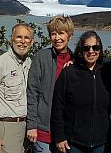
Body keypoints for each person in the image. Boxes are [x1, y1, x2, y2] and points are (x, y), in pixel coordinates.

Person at [51, 30, 110, 153]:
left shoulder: (108, 71)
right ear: (81, 50)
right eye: (86, 48)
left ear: (100, 49)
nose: (91, 51)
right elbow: (57, 107)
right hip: (74, 143)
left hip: (100, 143)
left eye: (96, 47)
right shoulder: (69, 73)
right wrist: (60, 136)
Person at [0, 23, 34, 153]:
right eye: (18, 37)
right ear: (11, 39)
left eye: (26, 38)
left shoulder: (30, 63)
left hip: (25, 129)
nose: (22, 41)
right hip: (5, 128)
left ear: (32, 42)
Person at [26, 15, 75, 153]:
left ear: (69, 36)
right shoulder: (41, 57)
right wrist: (32, 125)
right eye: (53, 34)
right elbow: (32, 92)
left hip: (66, 130)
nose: (57, 38)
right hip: (43, 129)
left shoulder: (76, 60)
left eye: (61, 33)